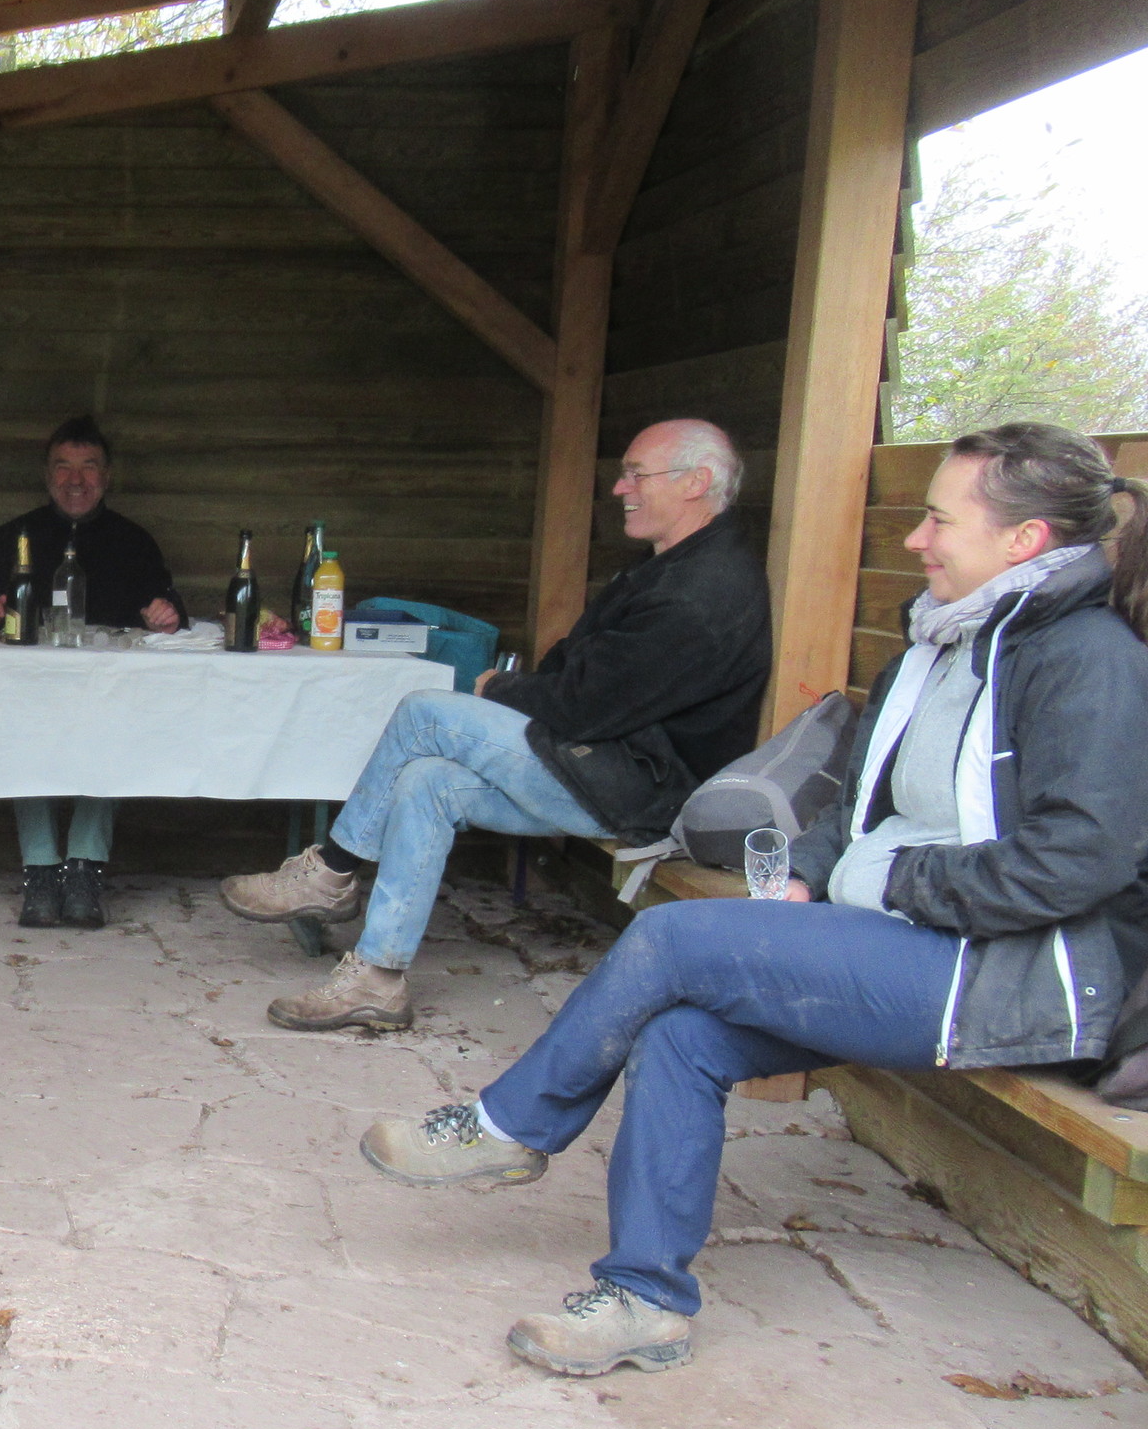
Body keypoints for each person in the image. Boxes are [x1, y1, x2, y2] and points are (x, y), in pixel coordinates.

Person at [361, 422, 1148, 1377]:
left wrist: (886, 882)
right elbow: (861, 803)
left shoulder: (1093, 667)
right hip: (909, 937)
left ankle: (509, 1126)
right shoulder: (940, 644)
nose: (915, 539)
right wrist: (809, 873)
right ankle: (643, 1299)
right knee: (682, 1034)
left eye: (937, 520)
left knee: (672, 940)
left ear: (1025, 540)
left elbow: (1077, 865)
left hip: (1019, 976)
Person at [221, 419, 769, 1031]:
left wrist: (502, 689)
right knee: (426, 780)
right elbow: (580, 673)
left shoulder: (704, 590)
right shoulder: (670, 567)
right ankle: (376, 980)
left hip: (644, 790)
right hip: (604, 764)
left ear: (696, 482)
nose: (621, 488)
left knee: (425, 711)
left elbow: (585, 705)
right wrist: (530, 689)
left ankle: (331, 872)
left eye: (637, 474)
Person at [0, 415, 185, 929]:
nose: (75, 480)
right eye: (63, 467)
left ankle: (84, 869)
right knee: (22, 735)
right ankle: (40, 871)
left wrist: (166, 615)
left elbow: (171, 610)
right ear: (47, 476)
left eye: (89, 467)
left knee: (112, 737)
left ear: (107, 477)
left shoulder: (133, 540)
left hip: (107, 694)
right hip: (29, 691)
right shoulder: (13, 535)